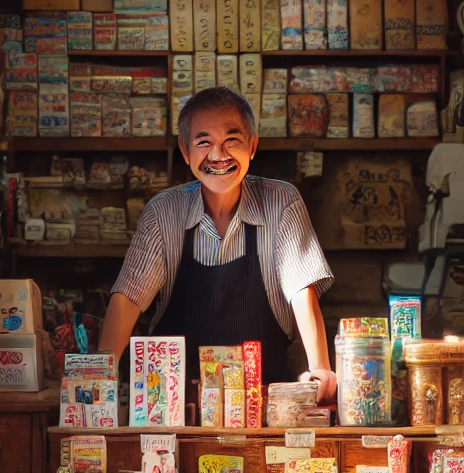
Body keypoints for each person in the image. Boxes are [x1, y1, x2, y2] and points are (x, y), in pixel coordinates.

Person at [100, 86, 337, 403]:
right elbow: (128, 297)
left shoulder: (281, 202)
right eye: (204, 142)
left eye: (232, 141)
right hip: (175, 405)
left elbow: (300, 290)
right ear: (186, 152)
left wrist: (320, 369)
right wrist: (100, 375)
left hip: (262, 406)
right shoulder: (164, 211)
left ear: (252, 145)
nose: (218, 155)